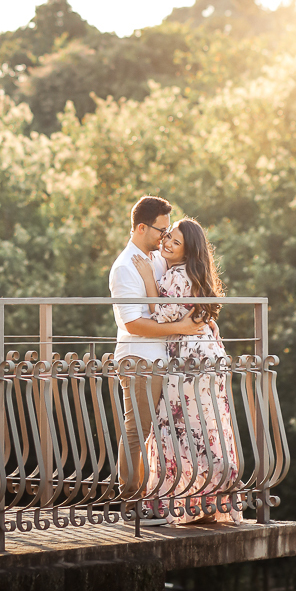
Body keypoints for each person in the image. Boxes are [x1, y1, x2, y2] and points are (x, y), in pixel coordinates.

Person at [132, 217, 242, 524]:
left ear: (188, 250)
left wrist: (148, 279)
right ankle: (210, 496)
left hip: (189, 360)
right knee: (208, 424)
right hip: (208, 355)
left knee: (177, 424)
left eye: (175, 242)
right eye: (167, 237)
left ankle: (179, 501)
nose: (167, 243)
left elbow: (161, 315)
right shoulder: (193, 273)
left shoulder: (177, 276)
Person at [110, 196, 207, 518]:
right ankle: (131, 503)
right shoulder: (125, 267)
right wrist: (180, 326)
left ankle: (156, 498)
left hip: (161, 358)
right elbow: (133, 322)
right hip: (139, 359)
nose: (165, 238)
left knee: (155, 431)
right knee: (137, 430)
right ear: (141, 227)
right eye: (161, 230)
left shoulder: (155, 260)